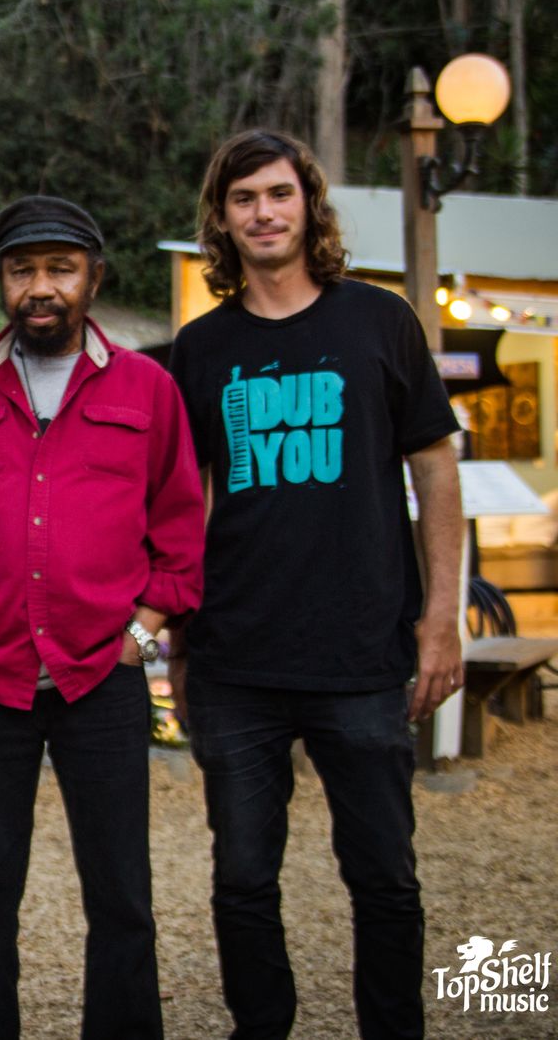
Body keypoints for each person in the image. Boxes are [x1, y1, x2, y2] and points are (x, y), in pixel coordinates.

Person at [168, 129, 464, 1040]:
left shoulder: (380, 321)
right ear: (222, 219)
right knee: (242, 879)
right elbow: (184, 502)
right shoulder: (200, 349)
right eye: (244, 198)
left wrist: (441, 619)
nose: (263, 212)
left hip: (363, 651)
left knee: (385, 877)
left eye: (279, 193)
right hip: (236, 657)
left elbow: (435, 471)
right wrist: (179, 638)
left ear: (308, 205)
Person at [0, 195, 204, 1039]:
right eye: (22, 269)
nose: (41, 287)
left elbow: (180, 533)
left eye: (60, 269)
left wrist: (140, 638)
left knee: (122, 895)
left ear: (93, 278)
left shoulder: (148, 389)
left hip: (101, 677)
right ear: (2, 279)